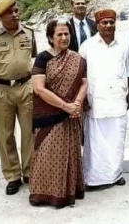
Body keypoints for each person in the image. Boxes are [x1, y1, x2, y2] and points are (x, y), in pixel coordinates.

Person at [0, 0, 37, 195]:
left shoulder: (29, 32)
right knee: (5, 133)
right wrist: (0, 78)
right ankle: (12, 175)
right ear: (0, 16)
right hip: (1, 90)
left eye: (17, 11)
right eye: (10, 12)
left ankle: (29, 171)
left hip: (25, 86)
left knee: (30, 131)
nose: (15, 15)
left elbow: (32, 57)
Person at [29, 19, 87, 208]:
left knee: (68, 153)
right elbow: (38, 88)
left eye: (67, 34)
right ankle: (44, 193)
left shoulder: (77, 59)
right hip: (49, 115)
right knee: (45, 153)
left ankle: (68, 192)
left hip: (70, 114)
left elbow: (84, 83)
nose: (64, 37)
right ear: (50, 38)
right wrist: (65, 106)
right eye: (59, 34)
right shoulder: (43, 58)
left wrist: (77, 103)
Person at [80, 9, 129, 189]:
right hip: (96, 99)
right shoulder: (87, 46)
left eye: (111, 22)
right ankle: (93, 178)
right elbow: (80, 75)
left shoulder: (124, 45)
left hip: (118, 98)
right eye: (105, 23)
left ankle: (115, 174)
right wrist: (83, 98)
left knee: (117, 138)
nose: (109, 26)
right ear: (97, 25)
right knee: (95, 140)